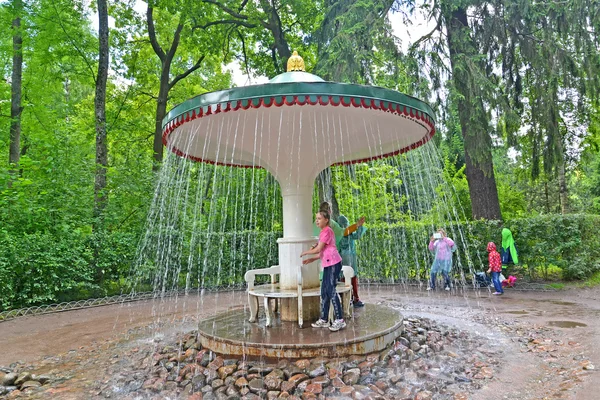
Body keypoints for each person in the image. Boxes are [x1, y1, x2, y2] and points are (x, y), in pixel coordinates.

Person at [300, 210, 346, 332]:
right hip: (328, 264)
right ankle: (324, 319)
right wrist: (312, 258)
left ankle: (340, 320)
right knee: (324, 291)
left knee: (331, 290)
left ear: (326, 220)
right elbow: (324, 251)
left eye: (319, 218)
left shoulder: (327, 231)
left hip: (334, 264)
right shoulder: (323, 232)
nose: (317, 220)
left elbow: (319, 249)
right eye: (316, 218)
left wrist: (306, 252)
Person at [338, 214, 367, 307]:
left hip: (344, 256)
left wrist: (360, 225)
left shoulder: (344, 232)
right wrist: (358, 225)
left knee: (345, 276)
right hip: (349, 257)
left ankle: (347, 298)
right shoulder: (344, 232)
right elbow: (352, 233)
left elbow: (357, 235)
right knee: (352, 276)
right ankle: (354, 298)